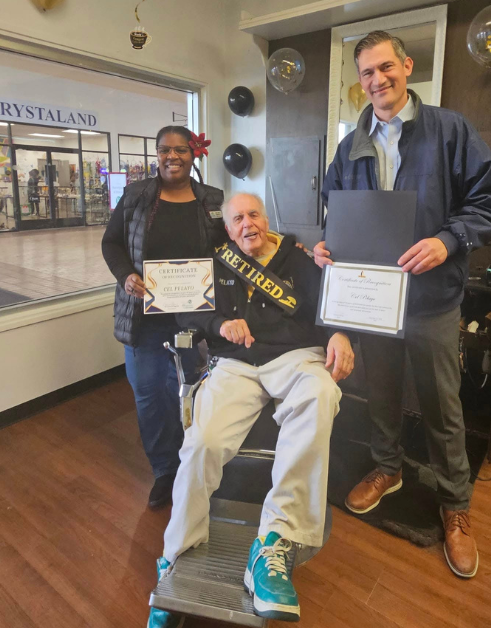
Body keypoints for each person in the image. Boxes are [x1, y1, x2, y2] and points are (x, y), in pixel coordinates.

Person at [315, 30, 491, 579]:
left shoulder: (449, 130)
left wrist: (448, 240)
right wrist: (328, 244)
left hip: (430, 299)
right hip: (373, 300)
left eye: (385, 68)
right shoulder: (350, 144)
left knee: (440, 405)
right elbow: (335, 209)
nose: (377, 80)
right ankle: (388, 469)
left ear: (407, 66)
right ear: (360, 83)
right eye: (367, 74)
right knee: (380, 393)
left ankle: (455, 504)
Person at [147, 193, 355, 627]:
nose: (248, 224)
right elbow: (189, 311)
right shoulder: (215, 261)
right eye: (238, 218)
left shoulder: (299, 259)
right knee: (201, 440)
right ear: (228, 229)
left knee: (320, 394)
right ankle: (176, 557)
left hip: (295, 357)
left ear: (267, 219)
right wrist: (218, 324)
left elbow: (330, 302)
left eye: (254, 215)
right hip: (235, 364)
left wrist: (339, 333)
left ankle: (273, 542)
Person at [101, 126, 226, 509]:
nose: (172, 157)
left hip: (192, 318)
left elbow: (225, 248)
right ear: (156, 155)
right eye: (164, 151)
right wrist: (126, 276)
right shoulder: (137, 196)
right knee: (150, 395)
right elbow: (112, 243)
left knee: (190, 393)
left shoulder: (211, 200)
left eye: (180, 150)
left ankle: (193, 463)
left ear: (194, 153)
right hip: (145, 319)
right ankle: (165, 472)